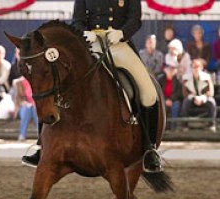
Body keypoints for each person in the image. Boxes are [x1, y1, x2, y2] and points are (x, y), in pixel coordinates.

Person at [22, 0, 163, 172]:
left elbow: (135, 19)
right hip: (89, 46)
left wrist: (121, 32)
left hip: (119, 44)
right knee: (56, 81)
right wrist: (84, 32)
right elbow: (77, 19)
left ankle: (150, 148)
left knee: (148, 93)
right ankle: (41, 146)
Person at [181, 59, 217, 132]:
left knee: (212, 102)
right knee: (185, 102)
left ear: (201, 68)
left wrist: (202, 98)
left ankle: (212, 124)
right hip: (192, 99)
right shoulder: (186, 78)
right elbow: (185, 93)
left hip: (204, 99)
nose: (196, 68)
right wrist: (195, 98)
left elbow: (211, 92)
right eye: (194, 67)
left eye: (197, 66)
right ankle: (185, 125)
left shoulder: (207, 77)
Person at [157, 60, 183, 131]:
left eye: (173, 69)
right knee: (161, 106)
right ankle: (162, 127)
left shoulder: (177, 81)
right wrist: (165, 100)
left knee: (176, 105)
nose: (171, 71)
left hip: (173, 100)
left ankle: (173, 126)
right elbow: (159, 92)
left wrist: (171, 100)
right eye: (169, 69)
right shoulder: (160, 79)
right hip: (163, 100)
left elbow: (179, 93)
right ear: (165, 70)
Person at [13, 77, 38, 141]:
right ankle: (22, 135)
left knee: (35, 109)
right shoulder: (19, 83)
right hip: (22, 107)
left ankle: (40, 133)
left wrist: (34, 103)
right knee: (26, 109)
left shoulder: (37, 82)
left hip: (35, 106)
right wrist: (24, 103)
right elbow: (17, 100)